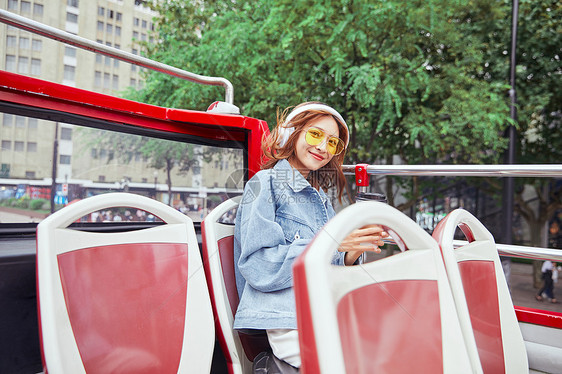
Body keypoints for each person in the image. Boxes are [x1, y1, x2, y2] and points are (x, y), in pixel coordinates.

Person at [233, 102, 388, 369]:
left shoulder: (321, 200)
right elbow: (258, 265)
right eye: (315, 134)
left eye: (332, 143)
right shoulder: (263, 184)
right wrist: (331, 243)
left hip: (323, 311)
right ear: (291, 134)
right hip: (287, 318)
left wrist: (350, 250)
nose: (322, 147)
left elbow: (327, 263)